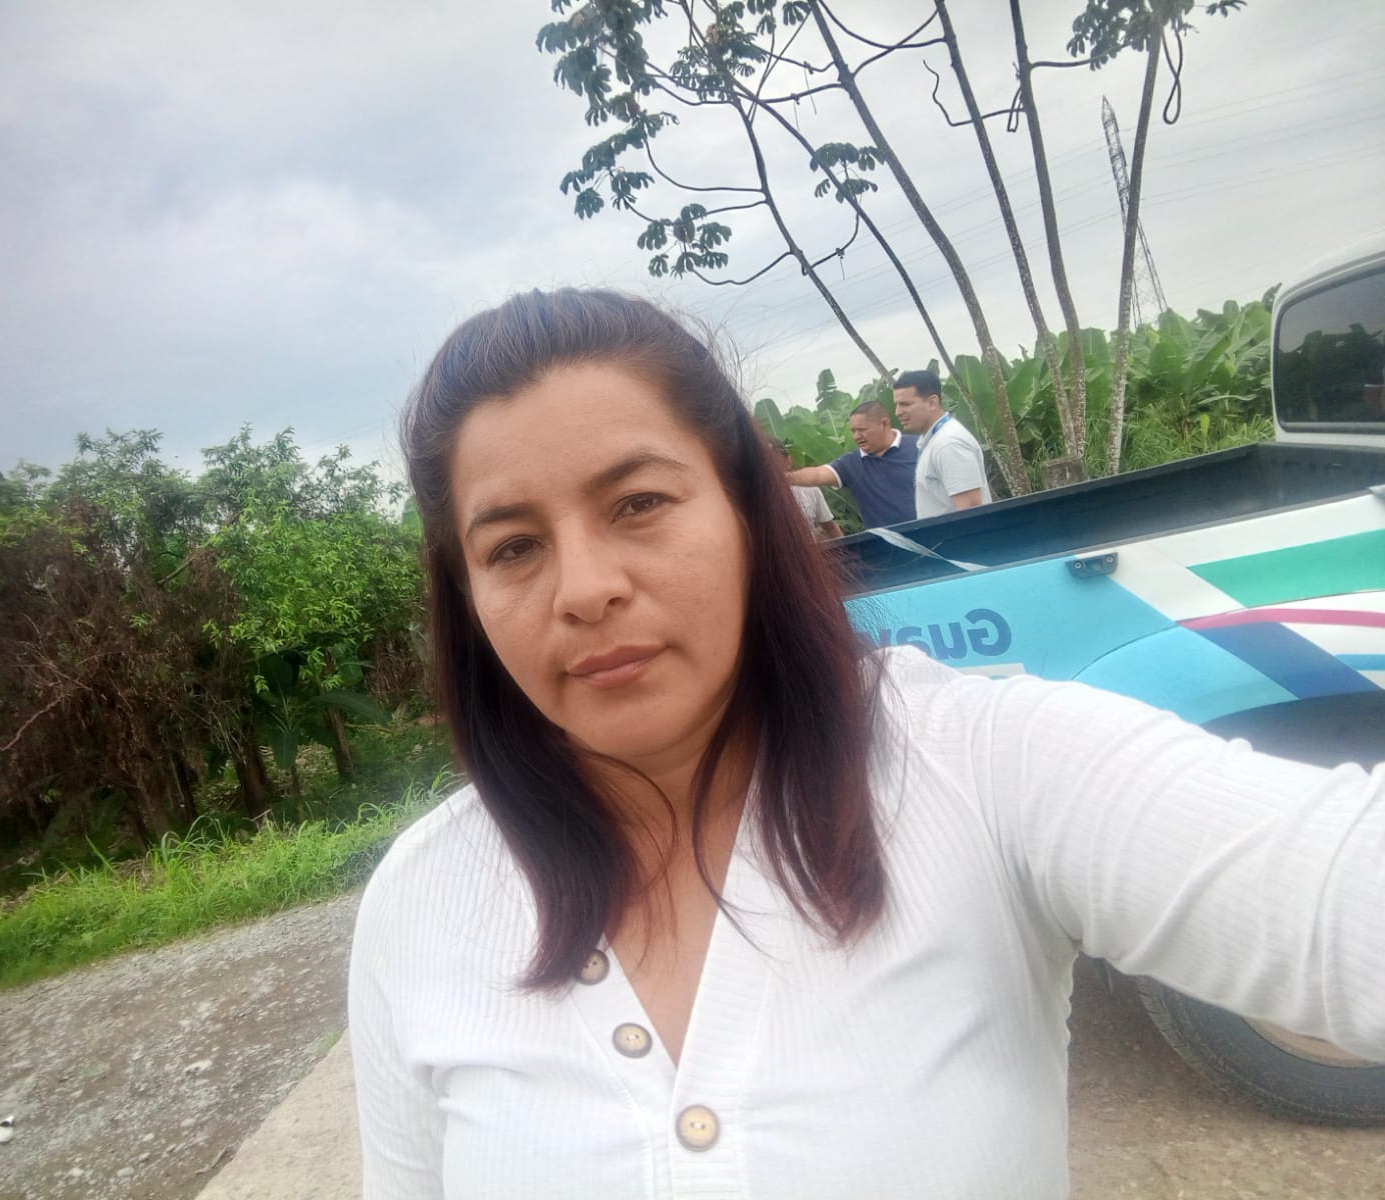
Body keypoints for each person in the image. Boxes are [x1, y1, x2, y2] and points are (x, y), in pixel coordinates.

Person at [350, 288, 1383, 1200]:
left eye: (639, 503)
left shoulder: (983, 768)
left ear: (748, 512)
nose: (584, 589)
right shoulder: (421, 902)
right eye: (513, 547)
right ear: (466, 594)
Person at [785, 399, 917, 528]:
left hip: (926, 531)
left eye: (862, 429)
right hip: (886, 541)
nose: (856, 436)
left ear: (885, 424)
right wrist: (783, 478)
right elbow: (819, 475)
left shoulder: (919, 447)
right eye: (853, 431)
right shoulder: (851, 463)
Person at [890, 368, 992, 517]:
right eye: (897, 405)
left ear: (932, 402)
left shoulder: (948, 444)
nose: (898, 412)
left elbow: (970, 508)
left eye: (905, 404)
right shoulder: (934, 440)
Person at [770, 437, 840, 539]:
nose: (770, 469)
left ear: (789, 461)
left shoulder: (808, 489)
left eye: (774, 462)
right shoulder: (753, 497)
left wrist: (846, 547)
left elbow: (830, 527)